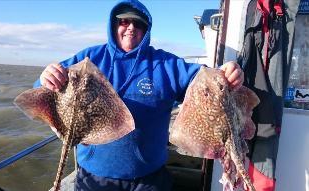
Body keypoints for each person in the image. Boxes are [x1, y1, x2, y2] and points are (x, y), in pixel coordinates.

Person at [33, 0, 244, 190]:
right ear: (113, 25)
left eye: (139, 24)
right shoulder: (90, 59)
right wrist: (46, 78)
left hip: (149, 177)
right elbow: (44, 88)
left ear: (147, 30)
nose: (131, 27)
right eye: (124, 21)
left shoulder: (164, 64)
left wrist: (225, 73)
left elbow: (204, 78)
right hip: (95, 175)